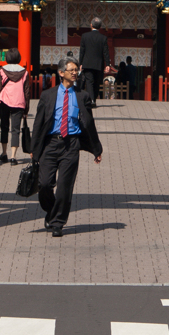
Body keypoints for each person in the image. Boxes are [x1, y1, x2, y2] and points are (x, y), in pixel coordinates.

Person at [31, 57, 102, 238]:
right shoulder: (48, 95)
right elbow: (39, 123)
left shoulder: (82, 96)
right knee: (44, 184)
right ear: (61, 73)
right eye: (71, 70)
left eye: (76, 70)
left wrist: (96, 149)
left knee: (64, 187)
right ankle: (52, 210)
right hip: (50, 143)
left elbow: (89, 123)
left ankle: (57, 223)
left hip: (71, 145)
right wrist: (34, 148)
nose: (75, 72)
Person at [0, 47, 30, 165]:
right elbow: (27, 92)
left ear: (7, 58)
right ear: (18, 58)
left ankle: (4, 153)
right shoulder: (25, 72)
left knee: (4, 127)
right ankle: (13, 157)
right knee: (16, 129)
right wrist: (26, 109)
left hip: (4, 101)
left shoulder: (2, 71)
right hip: (19, 103)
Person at [78, 17, 111, 107]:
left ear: (91, 25)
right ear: (100, 26)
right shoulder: (103, 38)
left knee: (89, 82)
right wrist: (107, 64)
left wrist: (80, 63)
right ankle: (93, 99)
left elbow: (82, 51)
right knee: (97, 82)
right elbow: (106, 52)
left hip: (87, 63)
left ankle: (92, 100)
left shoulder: (85, 36)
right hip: (98, 63)